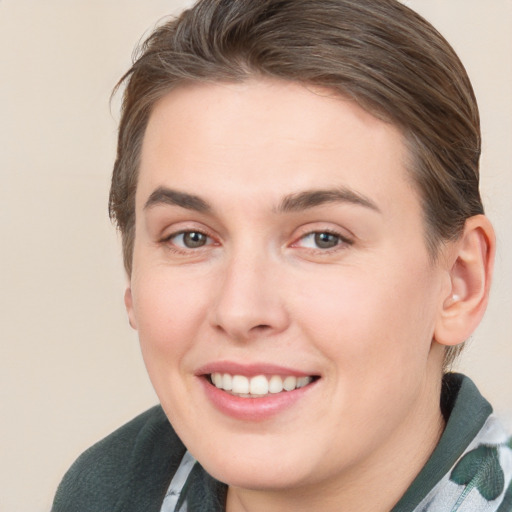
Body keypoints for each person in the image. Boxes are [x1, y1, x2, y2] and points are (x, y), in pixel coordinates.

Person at [51, 0, 512, 510]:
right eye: (191, 238)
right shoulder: (112, 490)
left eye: (323, 239)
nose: (241, 310)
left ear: (459, 282)